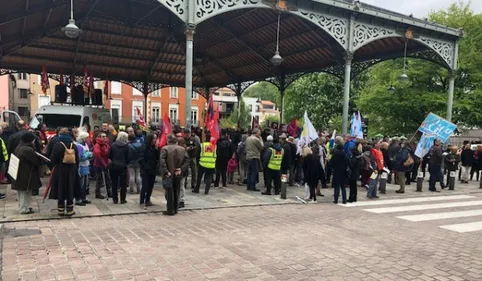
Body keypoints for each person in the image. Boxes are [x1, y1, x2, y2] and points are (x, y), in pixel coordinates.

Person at [49, 128, 79, 216]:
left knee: (60, 188)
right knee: (70, 188)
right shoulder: (73, 145)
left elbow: (52, 158)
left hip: (60, 169)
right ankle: (70, 209)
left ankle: (61, 209)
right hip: (71, 170)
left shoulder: (58, 145)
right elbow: (77, 158)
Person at [12, 132, 41, 214]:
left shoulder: (19, 146)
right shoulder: (27, 149)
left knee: (21, 191)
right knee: (25, 192)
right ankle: (24, 208)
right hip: (26, 173)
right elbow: (35, 161)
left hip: (19, 172)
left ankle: (24, 206)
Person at [160, 134, 189, 216]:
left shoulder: (164, 149)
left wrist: (166, 171)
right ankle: (175, 209)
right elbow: (187, 160)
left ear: (168, 140)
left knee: (169, 192)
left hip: (168, 173)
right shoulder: (182, 149)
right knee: (177, 191)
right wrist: (181, 169)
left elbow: (162, 162)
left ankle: (170, 210)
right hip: (178, 173)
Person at [139, 133, 159, 206]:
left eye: (156, 138)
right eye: (154, 138)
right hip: (145, 170)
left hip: (152, 170)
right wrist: (146, 167)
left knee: (150, 186)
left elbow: (157, 158)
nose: (155, 140)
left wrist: (157, 149)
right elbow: (141, 159)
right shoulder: (144, 147)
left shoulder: (154, 148)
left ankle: (147, 200)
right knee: (145, 186)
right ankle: (142, 200)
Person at [109, 132, 129, 204]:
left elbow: (110, 155)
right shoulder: (126, 146)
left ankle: (115, 199)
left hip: (114, 165)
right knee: (123, 184)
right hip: (123, 166)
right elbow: (127, 156)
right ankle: (123, 199)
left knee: (114, 183)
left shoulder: (113, 145)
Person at [75, 131, 92, 205]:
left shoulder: (85, 145)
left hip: (86, 165)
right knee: (81, 184)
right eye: (86, 137)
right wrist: (88, 155)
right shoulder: (79, 146)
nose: (88, 139)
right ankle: (79, 199)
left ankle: (84, 197)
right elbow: (80, 157)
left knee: (85, 183)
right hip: (81, 166)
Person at [93, 132, 112, 199]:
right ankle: (97, 193)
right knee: (100, 179)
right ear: (99, 137)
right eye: (103, 136)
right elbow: (97, 155)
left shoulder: (106, 144)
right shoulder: (97, 145)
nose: (105, 138)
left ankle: (109, 191)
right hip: (99, 164)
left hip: (106, 163)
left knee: (108, 178)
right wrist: (103, 164)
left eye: (105, 136)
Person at [330, 137, 348, 204]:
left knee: (336, 186)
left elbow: (331, 163)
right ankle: (344, 199)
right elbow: (347, 163)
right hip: (343, 171)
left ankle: (336, 199)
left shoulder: (334, 155)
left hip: (336, 171)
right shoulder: (345, 155)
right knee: (343, 187)